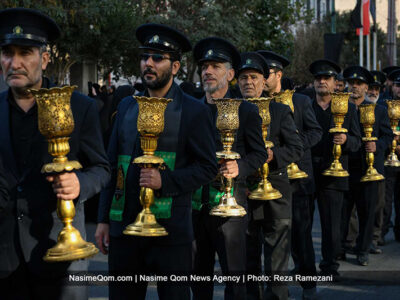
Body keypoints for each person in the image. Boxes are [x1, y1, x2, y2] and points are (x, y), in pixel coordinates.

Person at [96, 24, 217, 300]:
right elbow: (112, 164)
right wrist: (103, 220)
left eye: (157, 58)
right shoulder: (127, 106)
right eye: (145, 57)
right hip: (124, 230)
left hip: (171, 233)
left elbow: (208, 167)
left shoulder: (194, 110)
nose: (148, 63)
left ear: (175, 67)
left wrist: (167, 181)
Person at [0, 8, 110, 300]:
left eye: (25, 52)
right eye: (7, 52)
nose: (15, 62)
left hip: (61, 257)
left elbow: (101, 168)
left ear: (45, 59)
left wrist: (80, 185)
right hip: (4, 259)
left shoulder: (80, 107)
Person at [190, 40, 267, 300]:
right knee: (198, 281)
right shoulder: (190, 109)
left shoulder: (246, 111)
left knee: (236, 283)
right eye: (204, 66)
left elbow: (259, 153)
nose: (207, 71)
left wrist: (240, 166)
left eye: (215, 66)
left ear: (230, 74)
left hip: (230, 209)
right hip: (194, 209)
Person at [257, 50, 322, 299]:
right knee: (269, 236)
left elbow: (315, 132)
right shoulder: (257, 102)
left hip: (298, 179)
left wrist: (292, 145)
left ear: (278, 75)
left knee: (301, 234)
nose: (262, 79)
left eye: (267, 74)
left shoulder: (302, 101)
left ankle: (308, 282)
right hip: (268, 179)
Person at [308, 59, 361, 277]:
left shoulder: (347, 108)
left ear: (334, 82)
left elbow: (358, 141)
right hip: (307, 171)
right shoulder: (304, 105)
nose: (322, 82)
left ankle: (330, 265)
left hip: (335, 173)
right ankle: (303, 264)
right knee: (301, 222)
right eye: (318, 78)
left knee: (331, 224)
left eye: (326, 78)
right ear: (313, 82)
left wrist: (346, 141)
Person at [341, 66, 392, 265]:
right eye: (352, 83)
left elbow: (387, 136)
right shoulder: (341, 107)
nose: (355, 87)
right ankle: (343, 247)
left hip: (370, 168)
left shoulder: (378, 110)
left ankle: (363, 249)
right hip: (346, 167)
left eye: (359, 84)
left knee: (368, 211)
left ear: (366, 87)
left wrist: (377, 145)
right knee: (344, 213)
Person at [381, 69, 400, 244]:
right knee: (385, 199)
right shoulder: (383, 104)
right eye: (397, 85)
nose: (399, 89)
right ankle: (382, 230)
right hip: (387, 157)